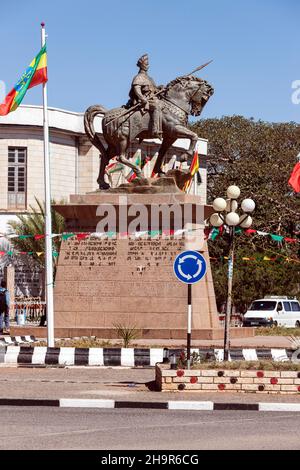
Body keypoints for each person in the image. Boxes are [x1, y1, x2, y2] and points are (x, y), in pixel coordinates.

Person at [127, 54, 163, 138]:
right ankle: (155, 129)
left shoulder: (150, 78)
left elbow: (154, 90)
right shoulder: (138, 77)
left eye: (148, 64)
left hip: (152, 99)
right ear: (142, 65)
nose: (148, 66)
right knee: (157, 106)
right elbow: (136, 89)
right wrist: (142, 98)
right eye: (146, 64)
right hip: (143, 101)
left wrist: (160, 88)